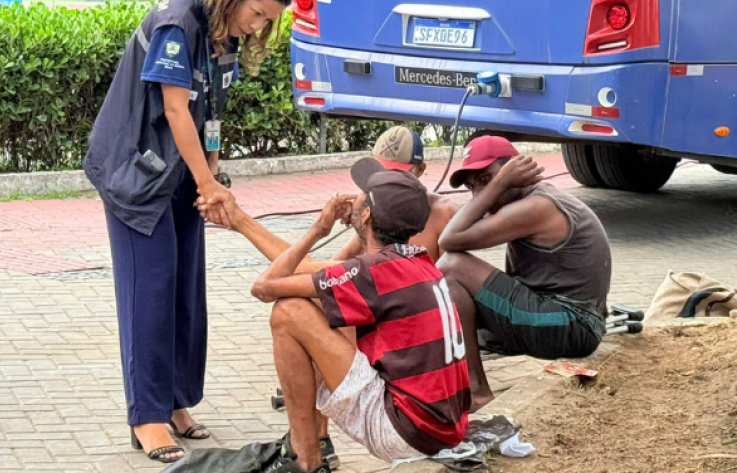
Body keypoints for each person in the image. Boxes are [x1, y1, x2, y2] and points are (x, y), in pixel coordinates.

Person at [83, 0, 293, 463]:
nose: (258, 26)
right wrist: (209, 185)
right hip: (136, 177)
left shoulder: (222, 33)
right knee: (149, 294)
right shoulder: (177, 22)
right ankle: (147, 417)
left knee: (184, 292)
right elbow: (176, 108)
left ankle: (176, 402)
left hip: (180, 175)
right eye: (258, 13)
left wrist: (212, 171)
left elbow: (211, 110)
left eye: (268, 21)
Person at [245, 164, 471, 473]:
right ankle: (313, 443)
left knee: (290, 312)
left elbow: (264, 286)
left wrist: (318, 229)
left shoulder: (373, 273)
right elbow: (324, 276)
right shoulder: (418, 260)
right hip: (444, 428)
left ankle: (305, 457)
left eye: (363, 194)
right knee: (329, 310)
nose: (355, 197)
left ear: (366, 215)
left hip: (406, 432)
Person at [437, 135, 612, 410]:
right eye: (472, 186)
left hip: (573, 325)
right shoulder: (524, 200)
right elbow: (460, 224)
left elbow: (449, 240)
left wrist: (498, 185)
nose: (479, 193)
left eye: (486, 179)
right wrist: (495, 185)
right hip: (562, 318)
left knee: (451, 267)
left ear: (515, 170)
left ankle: (478, 393)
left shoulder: (537, 206)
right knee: (448, 325)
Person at [332, 126, 456, 263]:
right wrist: (355, 219)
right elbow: (343, 258)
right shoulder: (377, 204)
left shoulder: (444, 213)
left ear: (420, 169)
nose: (387, 183)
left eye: (396, 175)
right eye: (380, 175)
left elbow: (450, 272)